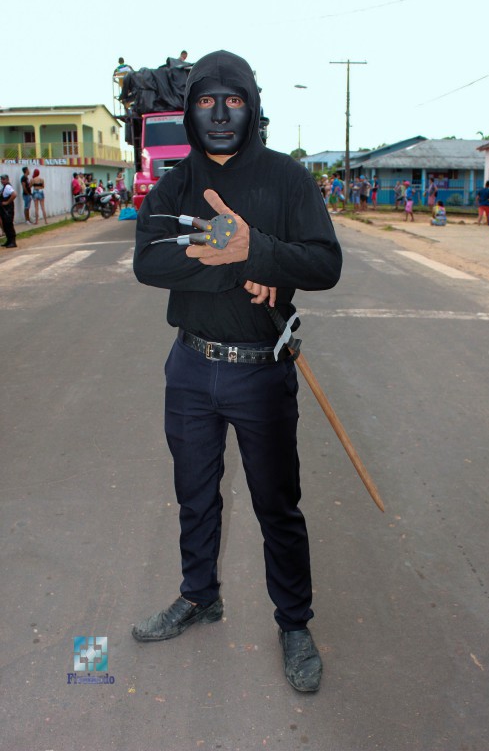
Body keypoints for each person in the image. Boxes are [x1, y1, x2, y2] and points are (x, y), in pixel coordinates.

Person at [132, 49, 342, 694]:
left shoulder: (288, 180)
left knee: (277, 503)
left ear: (252, 108)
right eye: (205, 101)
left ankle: (294, 623)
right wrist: (235, 263)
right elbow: (148, 262)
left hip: (261, 373)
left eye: (234, 101)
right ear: (189, 112)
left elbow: (324, 264)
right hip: (190, 368)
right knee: (194, 494)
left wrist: (262, 252)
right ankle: (200, 596)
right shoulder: (174, 185)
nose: (220, 115)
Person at [0, 174, 18, 248]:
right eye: (1, 179)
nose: (2, 181)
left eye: (4, 179)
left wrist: (7, 202)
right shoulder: (3, 188)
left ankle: (13, 242)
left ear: (7, 180)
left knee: (9, 225)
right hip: (4, 210)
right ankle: (9, 241)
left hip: (8, 210)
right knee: (5, 225)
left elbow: (14, 194)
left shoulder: (8, 187)